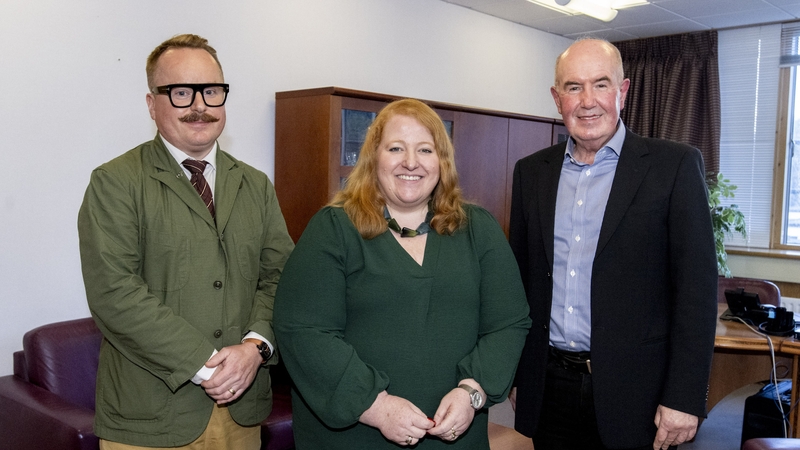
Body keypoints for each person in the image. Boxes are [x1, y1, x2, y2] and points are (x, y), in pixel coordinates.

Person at [273, 98, 531, 449]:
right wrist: (375, 405)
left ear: (442, 161)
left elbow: (508, 322)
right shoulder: (334, 229)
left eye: (425, 150)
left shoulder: (477, 229)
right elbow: (303, 331)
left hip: (454, 434)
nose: (411, 162)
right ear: (373, 158)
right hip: (355, 433)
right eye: (396, 148)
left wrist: (472, 391)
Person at [78, 34, 294, 450]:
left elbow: (281, 276)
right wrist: (205, 365)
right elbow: (114, 292)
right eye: (181, 92)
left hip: (243, 409)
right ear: (151, 103)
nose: (200, 106)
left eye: (211, 91)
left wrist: (256, 347)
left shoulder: (256, 185)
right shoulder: (116, 182)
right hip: (151, 417)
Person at [508, 38, 718, 450]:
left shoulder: (673, 166)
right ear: (557, 98)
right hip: (551, 387)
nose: (587, 101)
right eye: (573, 87)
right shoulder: (531, 173)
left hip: (640, 394)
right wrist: (520, 375)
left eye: (600, 85)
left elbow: (696, 292)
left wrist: (684, 397)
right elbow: (520, 285)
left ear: (622, 92)